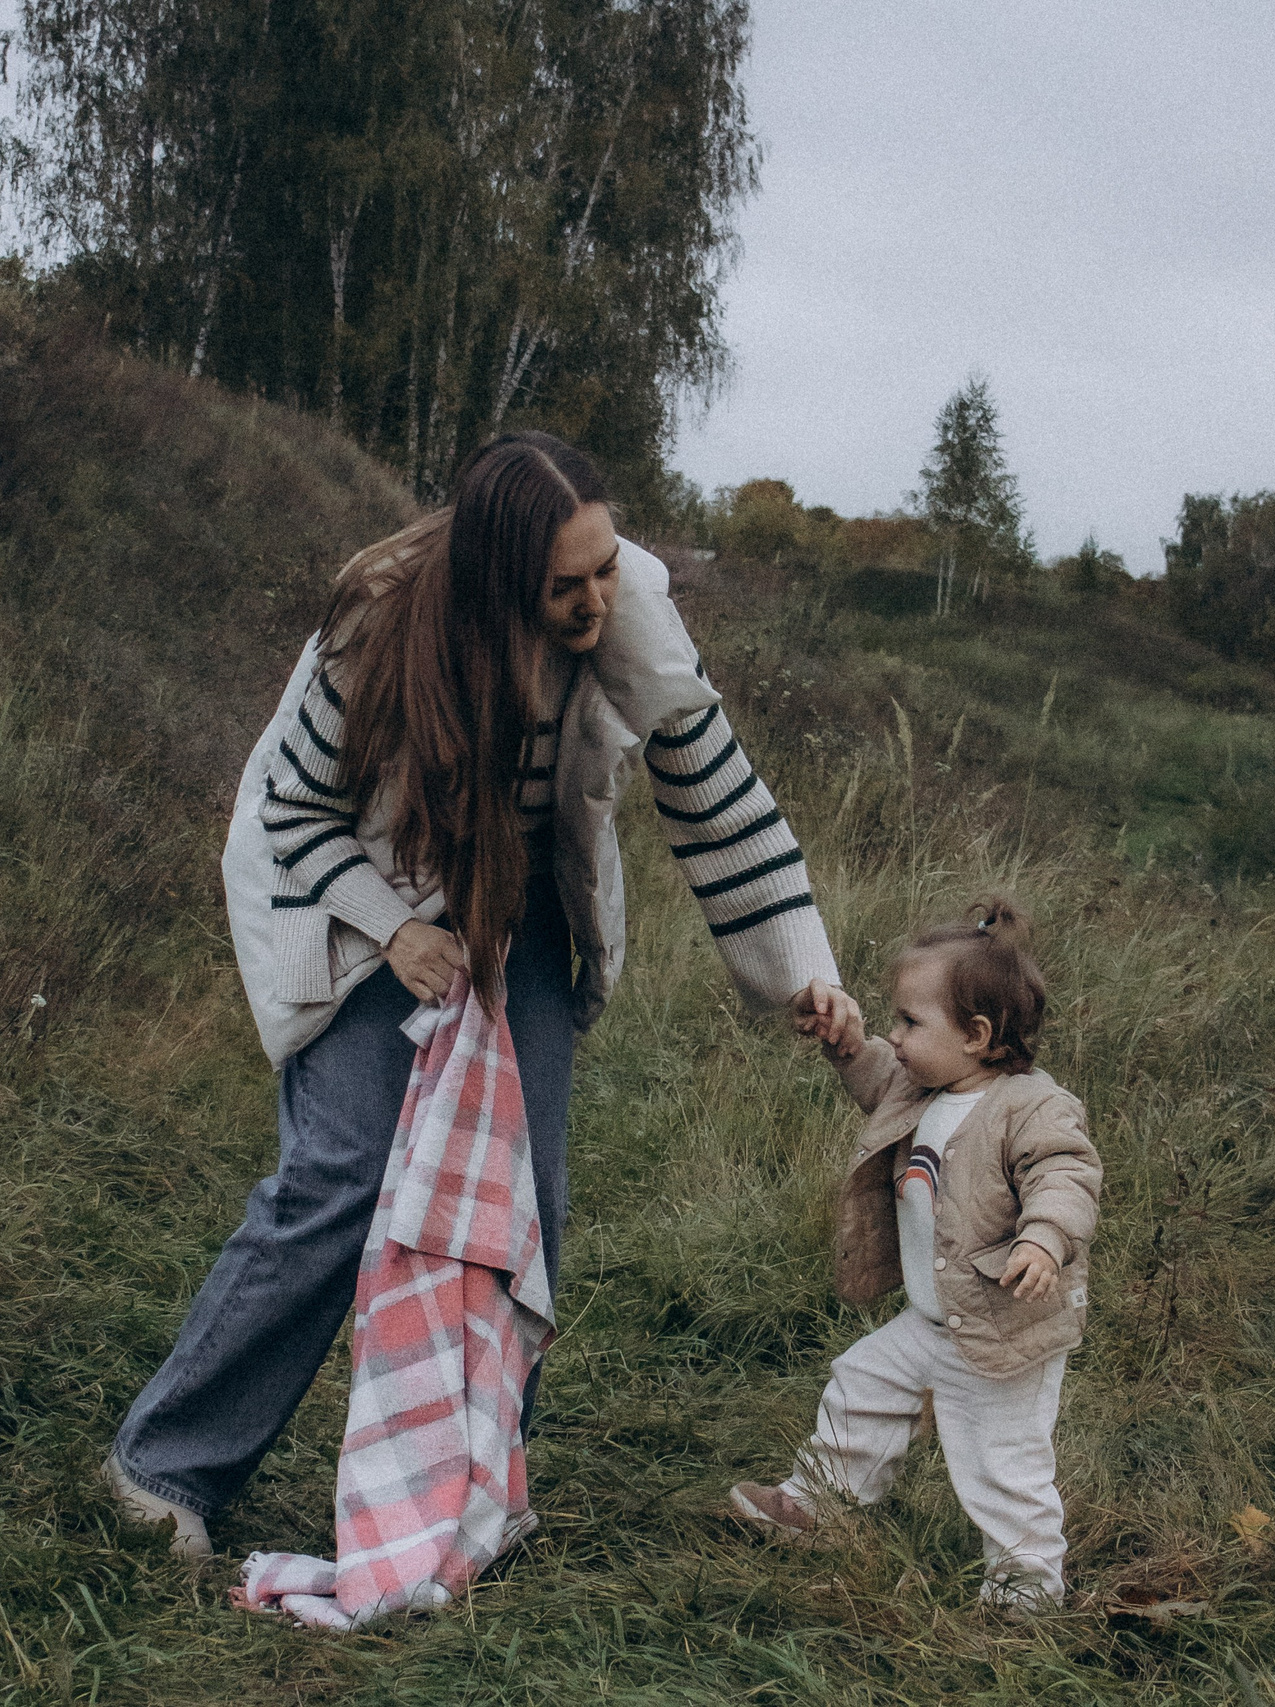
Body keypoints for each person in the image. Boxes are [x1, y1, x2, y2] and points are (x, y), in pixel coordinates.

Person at [105, 431, 865, 1557]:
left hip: (526, 901)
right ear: (501, 576)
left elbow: (716, 794)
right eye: (568, 583)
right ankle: (164, 1468)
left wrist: (810, 973)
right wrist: (397, 929)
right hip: (368, 883)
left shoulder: (631, 606)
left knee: (525, 1210)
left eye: (608, 565)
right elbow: (293, 812)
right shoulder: (379, 620)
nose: (597, 596)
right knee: (344, 1176)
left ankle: (471, 1495)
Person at [731, 893, 1102, 1613]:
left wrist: (1043, 1237)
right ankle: (821, 1506)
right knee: (862, 1381)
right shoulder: (925, 1084)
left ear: (978, 1033)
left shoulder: (1029, 1106)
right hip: (931, 1320)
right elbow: (877, 1079)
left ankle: (1025, 1587)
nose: (894, 1035)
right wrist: (848, 1046)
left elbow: (1067, 1172)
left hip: (1001, 1330)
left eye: (908, 1020)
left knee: (1003, 1462)